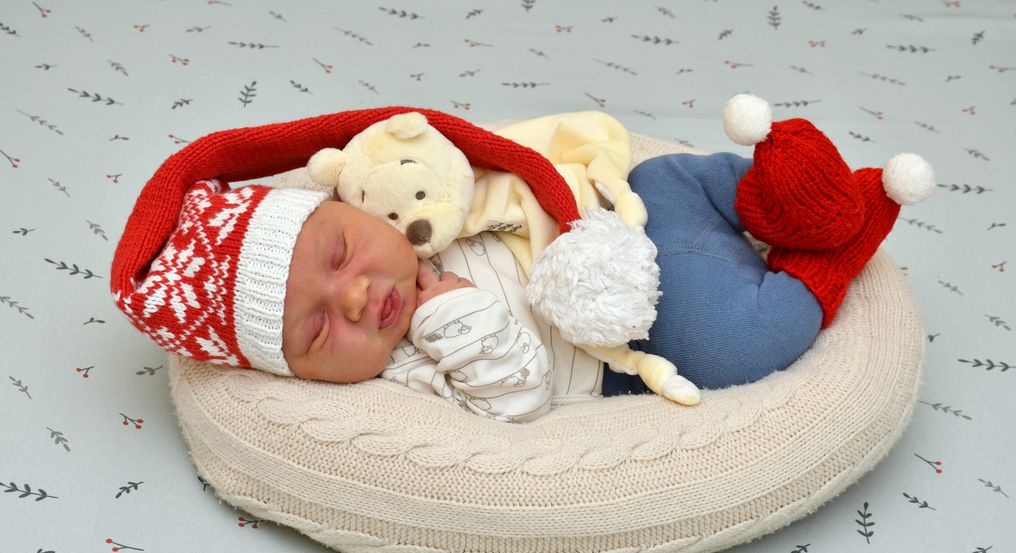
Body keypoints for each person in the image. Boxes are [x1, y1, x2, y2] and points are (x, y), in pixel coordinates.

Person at [111, 100, 933, 422]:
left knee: (667, 177)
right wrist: (450, 317)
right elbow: (518, 396)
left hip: (620, 228)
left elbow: (504, 165)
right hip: (637, 336)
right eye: (317, 331)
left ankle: (796, 200)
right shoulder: (404, 373)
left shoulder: (408, 205)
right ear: (299, 375)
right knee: (729, 345)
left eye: (339, 252)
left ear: (345, 204)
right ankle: (832, 256)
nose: (355, 298)